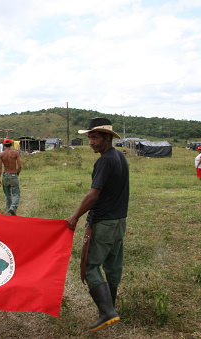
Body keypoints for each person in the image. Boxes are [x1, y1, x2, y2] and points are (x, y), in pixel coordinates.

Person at [66, 117, 129, 332]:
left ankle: (107, 312)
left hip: (102, 223)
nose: (91, 142)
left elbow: (94, 195)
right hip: (119, 222)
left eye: (95, 137)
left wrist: (75, 217)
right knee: (112, 267)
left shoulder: (104, 161)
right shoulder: (119, 157)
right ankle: (111, 308)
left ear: (107, 138)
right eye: (90, 137)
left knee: (90, 266)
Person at [0, 138, 22, 216]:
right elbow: (20, 166)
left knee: (7, 195)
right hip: (13, 174)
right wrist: (17, 173)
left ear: (4, 145)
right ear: (11, 144)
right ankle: (13, 207)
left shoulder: (1, 154)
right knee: (16, 193)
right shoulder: (15, 153)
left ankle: (9, 213)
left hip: (5, 175)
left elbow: (0, 168)